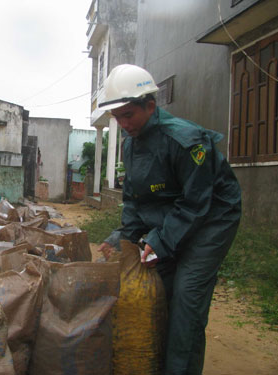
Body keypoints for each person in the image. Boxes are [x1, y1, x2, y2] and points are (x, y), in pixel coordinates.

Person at [97, 64, 242, 375]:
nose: (123, 124)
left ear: (150, 106)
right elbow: (135, 199)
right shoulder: (131, 144)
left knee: (186, 303)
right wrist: (123, 236)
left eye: (128, 115)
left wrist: (159, 239)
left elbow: (196, 203)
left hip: (213, 217)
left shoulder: (185, 141)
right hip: (176, 214)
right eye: (117, 117)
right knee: (160, 291)